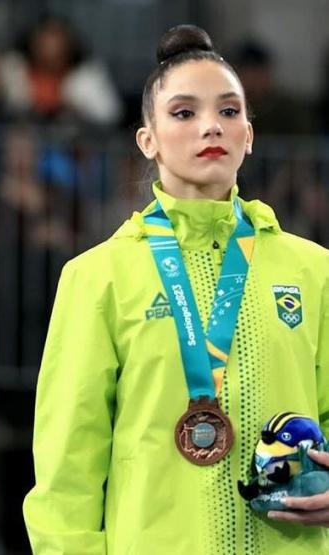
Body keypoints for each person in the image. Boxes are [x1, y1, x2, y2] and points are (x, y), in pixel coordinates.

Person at [23, 24, 329, 554]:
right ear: (148, 139)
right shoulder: (98, 278)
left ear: (249, 135)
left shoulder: (313, 271)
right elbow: (67, 471)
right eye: (184, 113)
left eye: (229, 111)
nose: (211, 126)